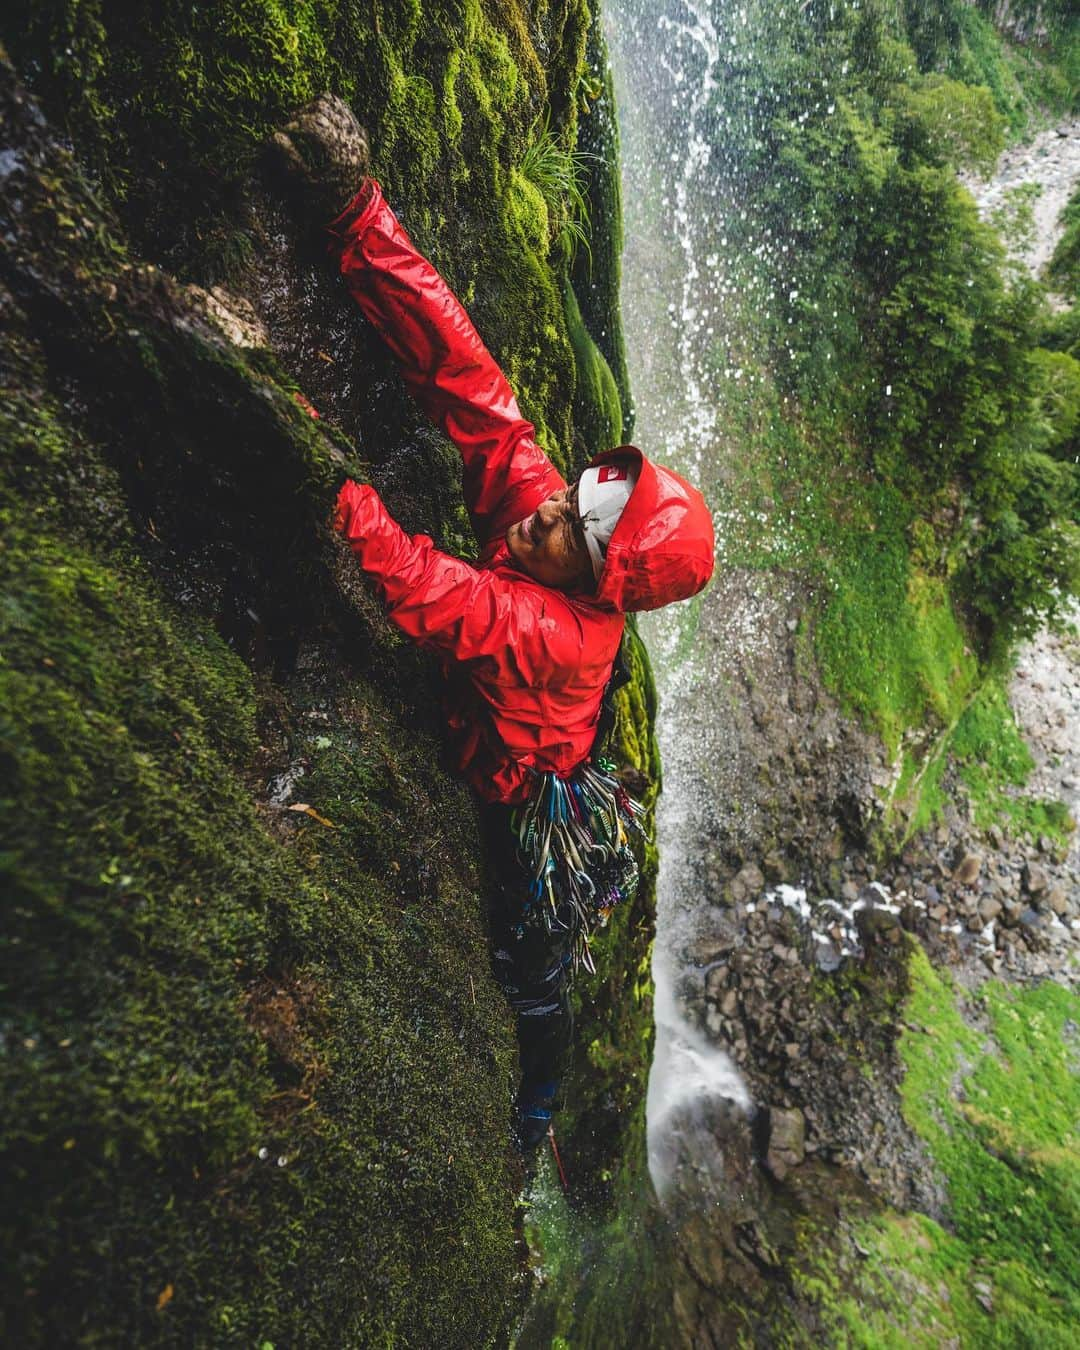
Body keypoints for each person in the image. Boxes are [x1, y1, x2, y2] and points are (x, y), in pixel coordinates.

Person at [272, 96, 715, 1151]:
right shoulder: (545, 522)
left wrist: (320, 469)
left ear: (606, 588)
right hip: (533, 736)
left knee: (531, 965)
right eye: (582, 493)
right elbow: (465, 378)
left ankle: (536, 1108)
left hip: (524, 800)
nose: (555, 510)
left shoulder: (561, 633)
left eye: (584, 531)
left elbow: (428, 590)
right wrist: (355, 209)